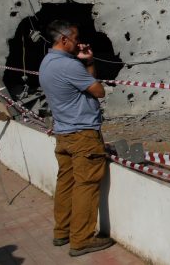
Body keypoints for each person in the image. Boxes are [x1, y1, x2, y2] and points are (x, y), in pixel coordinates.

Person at [38, 20, 115, 257]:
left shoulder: (47, 62)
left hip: (64, 133)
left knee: (66, 183)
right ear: (64, 39)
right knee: (86, 185)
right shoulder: (69, 66)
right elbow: (98, 91)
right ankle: (81, 240)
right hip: (82, 134)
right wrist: (87, 64)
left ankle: (62, 231)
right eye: (75, 38)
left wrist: (87, 62)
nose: (78, 42)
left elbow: (83, 86)